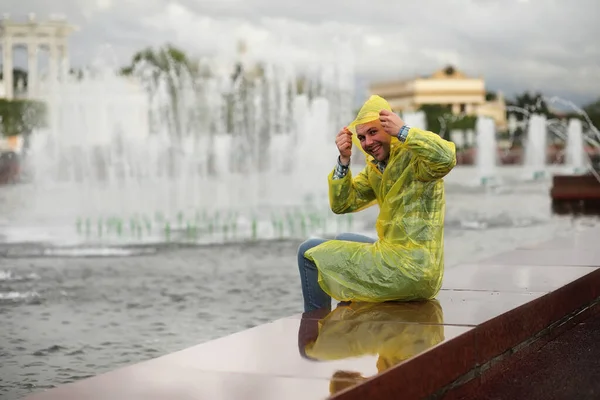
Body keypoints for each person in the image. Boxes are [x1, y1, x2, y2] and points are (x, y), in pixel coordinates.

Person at [297, 95, 456, 312]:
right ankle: (350, 322)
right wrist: (343, 161)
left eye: (373, 132)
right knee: (344, 239)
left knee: (308, 252)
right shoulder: (377, 168)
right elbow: (342, 204)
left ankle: (315, 330)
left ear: (389, 129)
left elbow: (446, 158)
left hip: (411, 271)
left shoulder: (415, 159)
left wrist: (404, 131)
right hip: (408, 264)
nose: (368, 143)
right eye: (361, 137)